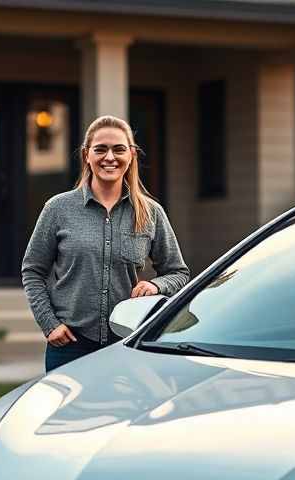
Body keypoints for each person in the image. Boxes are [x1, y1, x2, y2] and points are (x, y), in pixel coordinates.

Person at [22, 115, 190, 372]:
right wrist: (49, 323)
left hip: (127, 344)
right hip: (69, 346)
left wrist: (156, 285)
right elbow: (32, 271)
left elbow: (178, 273)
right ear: (86, 155)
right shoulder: (58, 209)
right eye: (100, 149)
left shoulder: (151, 212)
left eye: (119, 149)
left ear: (131, 154)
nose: (109, 157)